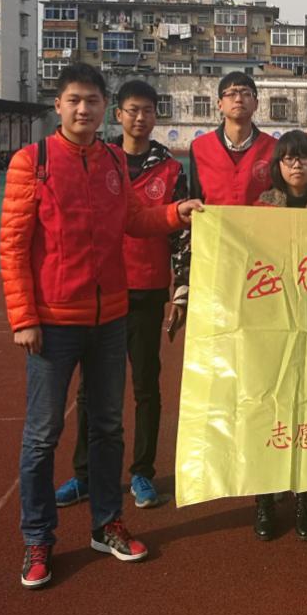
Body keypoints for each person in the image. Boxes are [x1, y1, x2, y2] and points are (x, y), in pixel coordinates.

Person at [0, 63, 203, 589]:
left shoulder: (112, 160)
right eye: (74, 100)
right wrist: (24, 318)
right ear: (58, 106)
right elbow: (14, 247)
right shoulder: (33, 162)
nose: (83, 109)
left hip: (110, 316)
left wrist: (176, 213)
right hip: (53, 322)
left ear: (102, 107)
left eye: (92, 101)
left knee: (109, 426)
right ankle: (38, 538)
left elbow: (133, 219)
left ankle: (107, 523)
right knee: (42, 435)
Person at [54, 80, 190, 514]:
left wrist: (181, 290)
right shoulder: (100, 159)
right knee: (91, 389)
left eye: (148, 110)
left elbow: (181, 234)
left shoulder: (170, 168)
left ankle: (143, 472)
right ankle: (85, 475)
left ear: (156, 115)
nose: (140, 118)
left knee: (146, 385)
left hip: (147, 289)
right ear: (118, 114)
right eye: (133, 110)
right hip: (101, 289)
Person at [253, 129, 307, 541]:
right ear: (278, 165)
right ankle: (265, 498)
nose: (296, 165)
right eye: (288, 158)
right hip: (271, 321)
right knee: (270, 406)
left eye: (304, 157)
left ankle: (306, 496)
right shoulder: (261, 208)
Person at [186, 72, 277, 206]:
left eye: (246, 93)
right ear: (220, 104)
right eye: (231, 94)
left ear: (256, 104)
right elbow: (196, 199)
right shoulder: (200, 147)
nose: (238, 99)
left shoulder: (274, 148)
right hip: (215, 220)